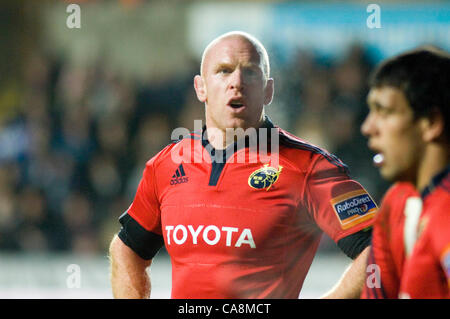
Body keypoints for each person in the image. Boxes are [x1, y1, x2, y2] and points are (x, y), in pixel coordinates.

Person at [109, 31, 377, 299]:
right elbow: (126, 248)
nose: (237, 82)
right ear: (200, 87)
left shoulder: (310, 167)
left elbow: (380, 249)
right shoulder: (166, 165)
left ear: (268, 90)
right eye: (224, 71)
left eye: (250, 72)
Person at [360, 47, 450, 298]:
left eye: (385, 112)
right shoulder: (396, 204)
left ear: (431, 123)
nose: (368, 127)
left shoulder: (445, 214)